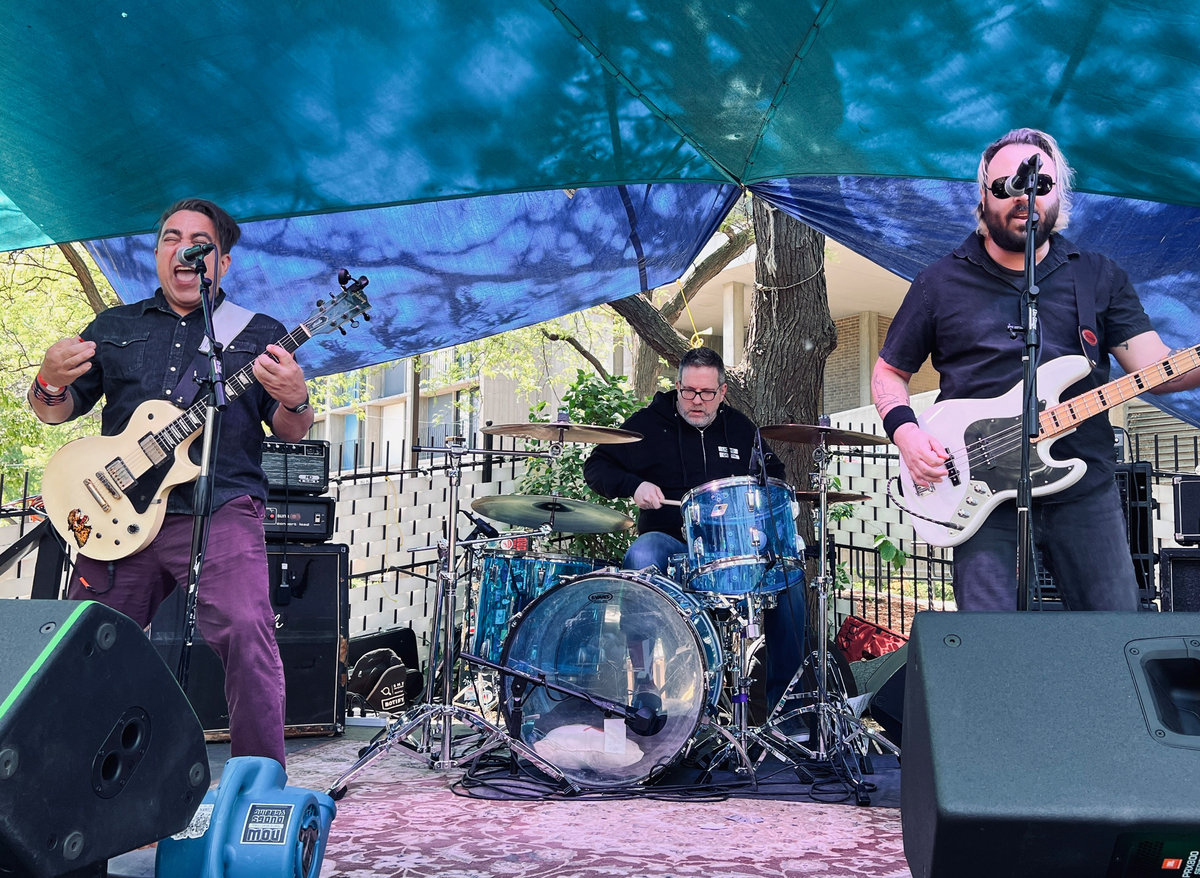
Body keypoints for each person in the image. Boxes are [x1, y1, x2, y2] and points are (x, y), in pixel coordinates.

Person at [29, 198, 315, 765]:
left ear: (221, 263)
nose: (184, 250)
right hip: (116, 514)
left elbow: (289, 429)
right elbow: (54, 412)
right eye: (170, 238)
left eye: (198, 242)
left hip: (221, 505)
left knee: (246, 630)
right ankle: (66, 781)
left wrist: (296, 400)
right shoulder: (115, 327)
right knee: (82, 644)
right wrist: (49, 380)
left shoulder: (259, 333)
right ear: (158, 254)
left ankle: (258, 781)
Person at [872, 127, 1200, 612]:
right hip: (978, 489)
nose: (1025, 197)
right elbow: (888, 372)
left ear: (1058, 194)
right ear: (984, 195)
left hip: (1084, 488)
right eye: (1008, 186)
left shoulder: (1097, 275)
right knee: (992, 643)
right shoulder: (938, 282)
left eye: (1040, 185)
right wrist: (906, 434)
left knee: (1113, 636)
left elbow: (1157, 368)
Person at [584, 346, 806, 712]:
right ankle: (644, 690)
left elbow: (773, 476)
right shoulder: (647, 425)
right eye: (688, 391)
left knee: (788, 575)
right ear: (677, 386)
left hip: (732, 551)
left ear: (722, 392)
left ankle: (785, 706)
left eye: (706, 392)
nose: (697, 401)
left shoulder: (740, 429)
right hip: (672, 546)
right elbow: (596, 466)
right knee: (641, 554)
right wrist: (634, 486)